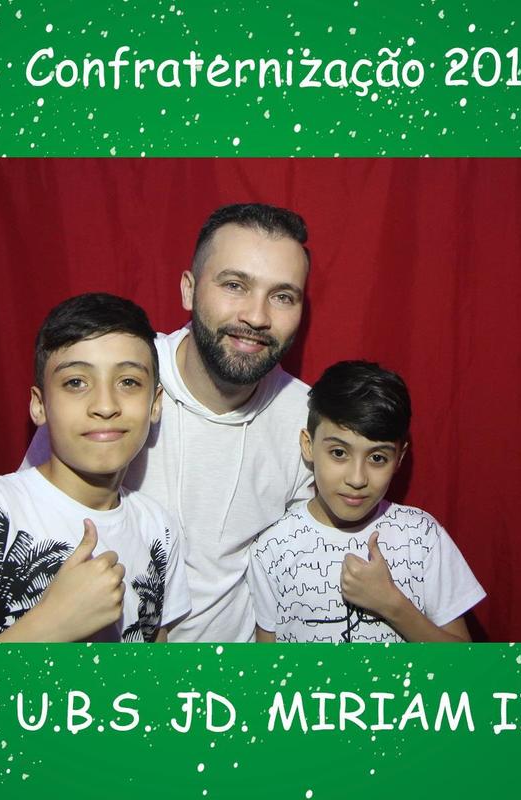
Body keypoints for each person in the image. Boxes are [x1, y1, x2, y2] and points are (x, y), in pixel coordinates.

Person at [25, 203, 314, 642]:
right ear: (188, 290)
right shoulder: (116, 381)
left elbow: (296, 573)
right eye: (234, 285)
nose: (257, 316)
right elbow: (29, 523)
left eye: (282, 296)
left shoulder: (306, 419)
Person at [0, 293, 190, 642]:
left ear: (155, 404)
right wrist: (48, 625)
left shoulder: (159, 529)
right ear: (39, 405)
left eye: (128, 382)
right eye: (76, 382)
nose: (105, 405)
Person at [249, 361, 486, 643]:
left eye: (377, 458)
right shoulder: (273, 548)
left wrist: (392, 605)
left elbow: (467, 661)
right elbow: (267, 662)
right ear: (308, 445)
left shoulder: (422, 537)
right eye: (339, 453)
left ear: (399, 458)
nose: (357, 478)